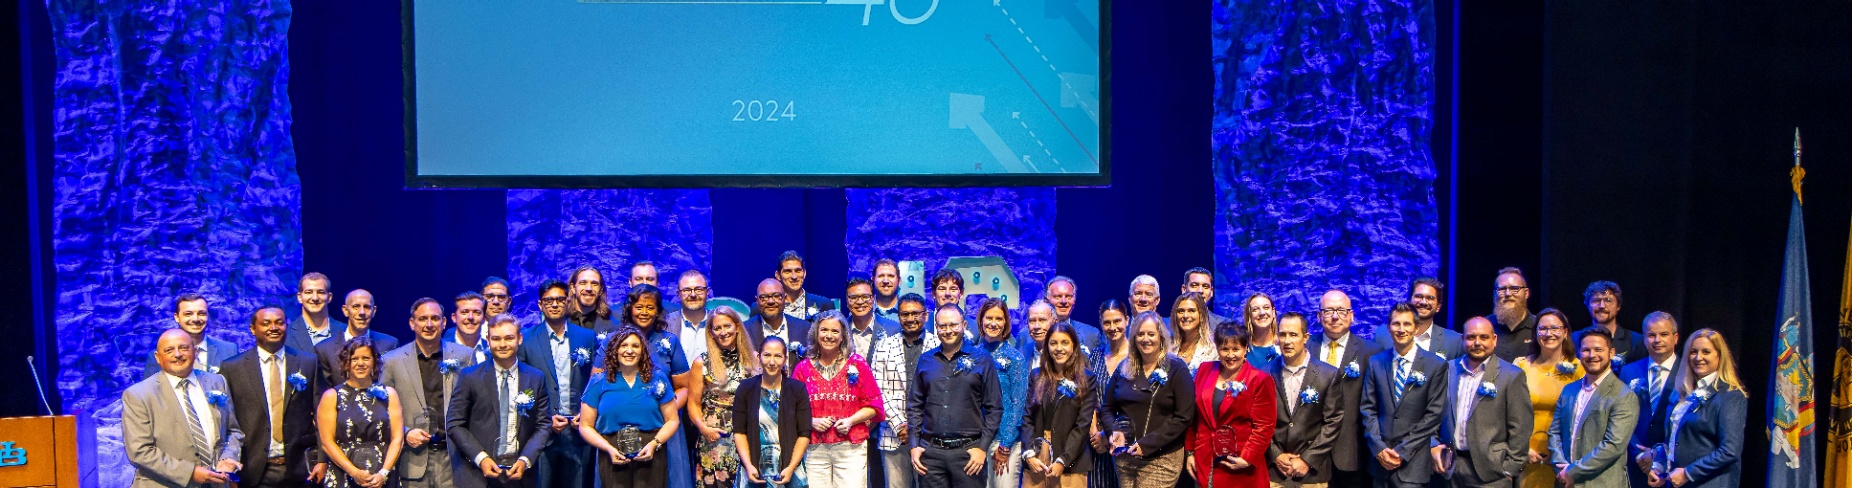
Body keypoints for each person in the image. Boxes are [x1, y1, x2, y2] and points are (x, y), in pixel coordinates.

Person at [597, 283, 698, 488]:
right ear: (629, 309)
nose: (644, 312)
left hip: (662, 428)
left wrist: (664, 412)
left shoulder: (669, 341)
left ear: (658, 311)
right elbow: (597, 383)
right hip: (619, 427)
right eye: (639, 307)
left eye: (650, 307)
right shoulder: (612, 341)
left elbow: (683, 387)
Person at [123, 328, 246, 488]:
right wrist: (191, 473)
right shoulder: (138, 395)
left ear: (194, 352)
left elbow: (233, 431)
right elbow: (140, 451)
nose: (178, 354)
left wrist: (228, 458)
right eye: (169, 350)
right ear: (157, 358)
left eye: (184, 348)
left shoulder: (217, 382)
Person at [383, 298, 482, 488]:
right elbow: (382, 409)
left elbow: (476, 404)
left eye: (435, 319)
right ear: (412, 323)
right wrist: (404, 433)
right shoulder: (392, 361)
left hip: (454, 458)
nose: (429, 324)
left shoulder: (464, 356)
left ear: (444, 322)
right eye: (422, 319)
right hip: (412, 458)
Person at [223, 305, 327, 486]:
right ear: (252, 329)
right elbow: (227, 422)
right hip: (251, 469)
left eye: (279, 323)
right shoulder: (232, 368)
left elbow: (321, 415)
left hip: (300, 467)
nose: (273, 328)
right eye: (266, 323)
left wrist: (323, 459)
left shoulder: (308, 362)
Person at [447, 315, 552, 488]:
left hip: (522, 475)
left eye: (509, 338)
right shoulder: (470, 377)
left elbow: (543, 425)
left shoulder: (535, 378)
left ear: (519, 338)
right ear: (488, 340)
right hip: (478, 474)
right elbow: (455, 424)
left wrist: (526, 460)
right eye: (496, 338)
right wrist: (481, 458)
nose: (502, 344)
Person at [909, 306, 1004, 488]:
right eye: (942, 326)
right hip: (931, 453)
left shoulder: (982, 359)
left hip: (968, 454)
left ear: (964, 325)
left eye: (953, 325)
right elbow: (915, 405)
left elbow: (995, 407)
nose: (948, 330)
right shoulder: (926, 360)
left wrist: (982, 448)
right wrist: (914, 445)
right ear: (936, 328)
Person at [516, 280, 599, 488]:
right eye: (548, 300)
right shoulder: (526, 339)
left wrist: (587, 413)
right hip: (543, 431)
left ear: (568, 302)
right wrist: (543, 418)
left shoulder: (586, 337)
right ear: (539, 304)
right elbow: (520, 386)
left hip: (578, 430)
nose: (554, 304)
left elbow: (596, 380)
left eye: (560, 299)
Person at [1432, 317, 1532, 488]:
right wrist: (1433, 444)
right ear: (1463, 340)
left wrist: (1510, 468)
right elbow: (1433, 413)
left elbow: (1520, 427)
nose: (1477, 342)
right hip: (1449, 468)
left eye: (1483, 337)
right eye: (1471, 337)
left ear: (1494, 340)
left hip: (1492, 473)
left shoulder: (1512, 375)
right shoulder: (1447, 370)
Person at [1358, 303, 1448, 488]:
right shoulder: (1376, 362)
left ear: (1416, 328)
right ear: (1389, 328)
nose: (1401, 329)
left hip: (1413, 464)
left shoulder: (1435, 365)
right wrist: (1380, 449)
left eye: (1407, 324)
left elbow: (1433, 415)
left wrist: (1403, 451)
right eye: (1396, 324)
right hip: (1379, 463)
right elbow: (1368, 409)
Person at [579, 327, 682, 488]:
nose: (629, 350)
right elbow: (585, 426)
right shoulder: (599, 381)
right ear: (615, 350)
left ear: (643, 351)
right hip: (612, 450)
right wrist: (607, 448)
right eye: (624, 345)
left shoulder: (657, 378)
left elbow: (672, 420)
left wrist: (654, 444)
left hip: (651, 450)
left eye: (635, 346)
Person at [794, 311, 887, 488]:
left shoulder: (857, 365)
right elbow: (792, 409)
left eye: (835, 331)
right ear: (816, 333)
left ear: (843, 335)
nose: (829, 336)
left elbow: (874, 406)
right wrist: (811, 420)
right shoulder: (802, 369)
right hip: (815, 449)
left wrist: (851, 421)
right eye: (824, 330)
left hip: (850, 448)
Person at [1104, 311, 1196, 488]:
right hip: (1125, 457)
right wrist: (1113, 432)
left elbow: (1183, 417)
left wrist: (1147, 445)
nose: (1145, 339)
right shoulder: (1124, 367)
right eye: (1140, 334)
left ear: (1161, 336)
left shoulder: (1176, 368)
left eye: (1151, 334)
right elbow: (1107, 407)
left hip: (1161, 458)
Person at [1644, 329, 1744, 488]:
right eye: (1693, 352)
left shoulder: (1730, 396)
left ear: (1719, 356)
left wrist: (1688, 473)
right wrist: (1659, 466)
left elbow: (1729, 451)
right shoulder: (1681, 393)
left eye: (1706, 352)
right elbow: (1673, 440)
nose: (1699, 358)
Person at [1305, 290, 1384, 487]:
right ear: (1318, 316)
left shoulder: (1371, 352)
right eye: (1328, 310)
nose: (1334, 316)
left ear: (1351, 315)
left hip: (1352, 452)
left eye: (1341, 310)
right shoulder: (1305, 348)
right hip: (1308, 449)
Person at [1186, 325, 1277, 488]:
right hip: (1205, 461)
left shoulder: (1260, 379)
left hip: (1240, 464)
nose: (1230, 355)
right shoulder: (1204, 370)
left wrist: (1248, 458)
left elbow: (1265, 426)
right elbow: (1194, 416)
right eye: (1224, 349)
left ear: (1245, 348)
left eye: (1236, 349)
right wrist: (1190, 452)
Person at [1546, 329, 1638, 488]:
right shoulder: (1569, 390)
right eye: (1586, 350)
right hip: (1564, 481)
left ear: (1611, 353)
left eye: (1598, 350)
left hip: (1602, 483)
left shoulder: (1624, 395)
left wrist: (1572, 471)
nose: (1591, 355)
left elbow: (1612, 446)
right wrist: (1561, 466)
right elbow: (1554, 431)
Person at [1261, 312, 1344, 488]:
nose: (1287, 341)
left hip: (1312, 473)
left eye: (1293, 335)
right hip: (1273, 471)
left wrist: (1307, 459)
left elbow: (1333, 422)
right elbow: (1256, 420)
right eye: (1282, 334)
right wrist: (1275, 454)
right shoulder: (1264, 373)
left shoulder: (1327, 374)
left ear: (1305, 337)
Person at [316, 338, 405, 488]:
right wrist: (353, 472)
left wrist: (383, 473)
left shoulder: (389, 394)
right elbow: (327, 442)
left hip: (382, 476)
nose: (360, 363)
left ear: (374, 362)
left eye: (366, 358)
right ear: (346, 363)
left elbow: (397, 439)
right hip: (343, 474)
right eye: (354, 359)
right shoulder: (331, 396)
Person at [1019, 322, 1099, 488]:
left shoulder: (1086, 379)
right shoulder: (1036, 376)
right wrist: (1029, 454)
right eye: (1053, 343)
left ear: (1074, 346)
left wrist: (1063, 460)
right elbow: (1027, 417)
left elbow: (1082, 425)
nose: (1059, 348)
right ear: (1047, 346)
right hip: (1037, 462)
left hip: (1071, 462)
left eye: (1064, 343)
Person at [688, 306, 761, 488]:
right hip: (715, 438)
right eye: (717, 328)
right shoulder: (701, 363)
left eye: (727, 326)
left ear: (737, 326)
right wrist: (703, 428)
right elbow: (693, 403)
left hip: (748, 434)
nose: (723, 332)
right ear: (711, 333)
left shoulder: (755, 359)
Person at [872, 294, 940, 488]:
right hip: (894, 435)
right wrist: (901, 426)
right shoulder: (884, 346)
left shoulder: (938, 346)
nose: (910, 318)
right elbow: (878, 390)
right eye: (905, 314)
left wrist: (918, 427)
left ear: (926, 316)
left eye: (915, 313)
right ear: (898, 317)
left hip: (930, 436)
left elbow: (942, 392)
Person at [1510, 308, 1582, 488]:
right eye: (1543, 329)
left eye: (1555, 328)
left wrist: (1562, 452)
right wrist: (1522, 448)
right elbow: (1509, 412)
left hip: (1564, 457)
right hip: (1528, 455)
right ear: (1535, 333)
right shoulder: (1521, 366)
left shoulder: (1579, 369)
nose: (1549, 334)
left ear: (1565, 332)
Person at [735, 336, 814, 488]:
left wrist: (791, 468)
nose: (772, 362)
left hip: (789, 468)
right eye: (767, 355)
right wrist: (748, 465)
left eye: (778, 356)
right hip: (753, 468)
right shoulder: (745, 388)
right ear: (759, 357)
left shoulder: (797, 389)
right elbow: (739, 431)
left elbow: (804, 433)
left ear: (784, 359)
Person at [973, 298, 1030, 488]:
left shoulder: (1015, 358)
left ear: (1006, 322)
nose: (993, 323)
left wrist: (1005, 445)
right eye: (989, 317)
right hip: (976, 440)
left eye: (999, 318)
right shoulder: (971, 355)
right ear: (981, 319)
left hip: (1004, 440)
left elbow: (1018, 403)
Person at [1620, 312, 1681, 488]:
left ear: (1675, 338)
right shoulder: (1628, 372)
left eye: (1663, 334)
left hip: (1673, 466)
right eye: (1651, 335)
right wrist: (1638, 454)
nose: (1657, 340)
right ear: (1644, 339)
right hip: (1636, 463)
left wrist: (1658, 453)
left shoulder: (1688, 372)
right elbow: (1621, 417)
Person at [1087, 300, 1132, 488]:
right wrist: (1095, 434)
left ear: (1127, 320)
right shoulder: (1094, 357)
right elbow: (1087, 399)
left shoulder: (1137, 357)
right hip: (1098, 444)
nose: (1112, 327)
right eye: (1107, 323)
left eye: (1117, 321)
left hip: (1127, 439)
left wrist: (1110, 434)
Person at [315, 290, 402, 387]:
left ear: (374, 311)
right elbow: (323, 393)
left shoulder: (390, 345)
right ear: (345, 310)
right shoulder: (325, 349)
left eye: (367, 307)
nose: (361, 312)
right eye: (356, 307)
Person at [144, 293, 242, 378]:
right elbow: (150, 394)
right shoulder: (159, 356)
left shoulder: (229, 351)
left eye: (201, 313)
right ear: (176, 317)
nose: (195, 319)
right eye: (188, 314)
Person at [1374, 278, 1463, 360]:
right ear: (1409, 301)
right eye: (1419, 296)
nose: (1424, 302)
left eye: (1430, 298)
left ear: (1438, 307)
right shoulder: (1383, 335)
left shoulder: (1454, 341)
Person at [1570, 282, 1647, 370]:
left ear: (1618, 306)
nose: (1602, 306)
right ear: (1587, 305)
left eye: (1608, 300)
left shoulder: (1636, 341)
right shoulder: (1574, 339)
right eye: (1596, 300)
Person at [748, 278, 815, 350]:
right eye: (764, 297)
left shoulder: (805, 328)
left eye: (776, 296)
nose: (770, 302)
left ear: (785, 298)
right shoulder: (745, 330)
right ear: (757, 300)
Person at [288, 272, 346, 353]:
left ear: (329, 297)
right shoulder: (287, 335)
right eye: (309, 292)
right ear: (299, 297)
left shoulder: (345, 332)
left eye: (320, 292)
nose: (315, 298)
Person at [1045, 276, 1103, 356]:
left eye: (1068, 296)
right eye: (1058, 296)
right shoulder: (1027, 337)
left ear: (1074, 300)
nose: (1063, 301)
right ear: (1046, 300)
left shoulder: (1091, 335)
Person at [1487, 269, 1537, 362]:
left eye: (1514, 289)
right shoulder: (1485, 328)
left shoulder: (1539, 328)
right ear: (1494, 294)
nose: (1508, 294)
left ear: (1526, 293)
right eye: (1502, 289)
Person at [845, 278, 901, 360]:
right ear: (847, 301)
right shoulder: (839, 329)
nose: (860, 302)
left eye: (865, 297)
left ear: (873, 299)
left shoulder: (893, 330)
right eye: (853, 297)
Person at [779, 251, 837, 321]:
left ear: (804, 273)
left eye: (798, 271)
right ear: (778, 275)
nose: (794, 277)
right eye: (787, 271)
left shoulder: (824, 305)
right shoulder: (772, 306)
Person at [670, 270, 714, 360]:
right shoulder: (666, 324)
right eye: (687, 290)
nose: (693, 295)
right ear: (679, 294)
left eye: (699, 289)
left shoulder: (718, 321)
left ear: (707, 292)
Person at [1171, 293, 1217, 371]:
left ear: (1201, 314)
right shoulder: (1167, 344)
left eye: (1191, 311)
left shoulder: (1213, 348)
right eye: (1181, 311)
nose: (1185, 316)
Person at [567, 265, 617, 336]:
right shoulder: (559, 322)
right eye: (583, 283)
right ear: (573, 288)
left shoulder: (614, 326)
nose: (589, 288)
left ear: (601, 289)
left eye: (594, 284)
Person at [1238, 293, 1280, 368]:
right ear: (1249, 315)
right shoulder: (1241, 347)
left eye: (1266, 308)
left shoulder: (1284, 344)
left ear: (1273, 312)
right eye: (1255, 309)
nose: (1262, 313)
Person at [452, 291, 492, 363]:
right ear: (454, 317)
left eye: (476, 312)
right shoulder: (441, 350)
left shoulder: (493, 350)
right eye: (464, 312)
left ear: (484, 319)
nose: (470, 317)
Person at [1024, 301, 1057, 368]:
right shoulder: (1022, 354)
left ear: (1054, 322)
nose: (1036, 326)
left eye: (1042, 320)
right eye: (1032, 321)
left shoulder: (1064, 353)